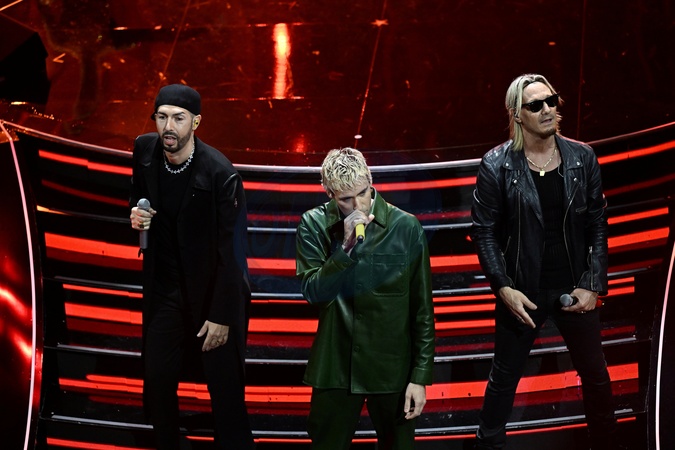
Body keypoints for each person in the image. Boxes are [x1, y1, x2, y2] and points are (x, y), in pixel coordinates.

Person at [470, 74, 618, 450]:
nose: (548, 110)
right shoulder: (496, 165)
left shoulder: (582, 157)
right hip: (524, 291)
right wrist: (503, 287)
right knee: (503, 380)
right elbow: (484, 232)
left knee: (597, 377)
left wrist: (593, 283)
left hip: (574, 286)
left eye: (551, 101)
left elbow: (597, 223)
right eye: (536, 105)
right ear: (517, 114)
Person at [129, 84, 254, 450]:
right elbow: (138, 197)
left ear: (196, 122)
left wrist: (221, 315)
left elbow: (233, 253)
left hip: (212, 294)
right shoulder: (144, 150)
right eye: (162, 117)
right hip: (166, 290)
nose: (168, 127)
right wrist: (135, 216)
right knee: (158, 382)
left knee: (226, 394)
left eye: (178, 118)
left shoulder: (220, 174)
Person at [295, 148, 435, 450]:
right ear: (330, 194)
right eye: (346, 199)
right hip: (336, 366)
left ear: (371, 181)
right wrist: (343, 251)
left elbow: (422, 308)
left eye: (363, 193)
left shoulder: (405, 226)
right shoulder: (313, 224)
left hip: (393, 369)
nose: (358, 206)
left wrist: (420, 377)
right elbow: (313, 293)